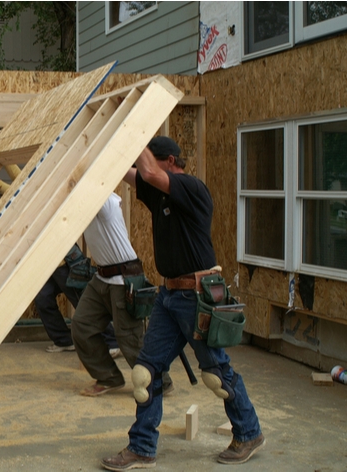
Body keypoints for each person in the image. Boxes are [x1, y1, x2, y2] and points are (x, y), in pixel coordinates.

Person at [101, 136, 264, 470]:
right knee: (146, 373)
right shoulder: (158, 191)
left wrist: (135, 131)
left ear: (171, 162)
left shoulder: (191, 187)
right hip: (169, 296)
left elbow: (146, 171)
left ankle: (249, 433)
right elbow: (133, 174)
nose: (146, 172)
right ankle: (142, 447)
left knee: (216, 373)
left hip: (197, 295)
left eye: (154, 165)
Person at [0, 172, 121, 354]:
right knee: (43, 299)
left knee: (83, 302)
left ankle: (112, 341)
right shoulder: (30, 196)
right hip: (49, 265)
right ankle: (63, 340)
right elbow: (16, 180)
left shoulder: (41, 198)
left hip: (65, 263)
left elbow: (12, 187)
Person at [71, 193, 173, 396]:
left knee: (129, 337)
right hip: (101, 277)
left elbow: (90, 181)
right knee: (81, 326)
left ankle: (158, 380)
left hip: (123, 278)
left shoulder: (105, 201)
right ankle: (109, 377)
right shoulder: (79, 203)